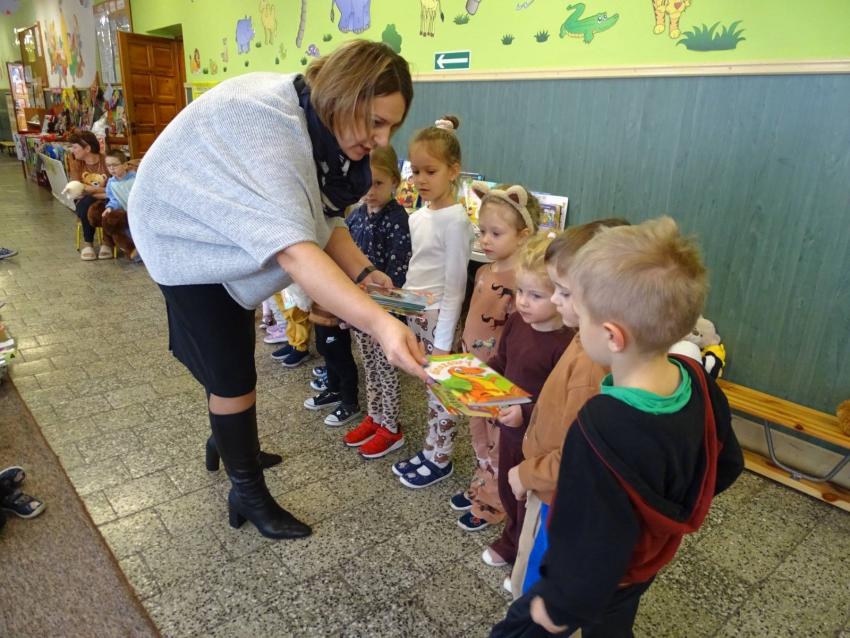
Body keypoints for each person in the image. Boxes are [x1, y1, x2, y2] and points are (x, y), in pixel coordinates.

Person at [128, 40, 427, 540]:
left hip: (216, 228)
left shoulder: (320, 124)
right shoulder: (271, 127)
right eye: (376, 122)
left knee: (232, 357)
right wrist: (381, 324)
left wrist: (362, 272)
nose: (381, 139)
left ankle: (229, 442)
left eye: (391, 127)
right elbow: (296, 250)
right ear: (343, 97)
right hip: (182, 236)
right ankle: (246, 490)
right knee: (232, 376)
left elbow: (322, 219)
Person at [492, 217, 744, 637]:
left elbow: (590, 537)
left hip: (580, 586)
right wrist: (657, 521)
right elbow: (728, 464)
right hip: (646, 563)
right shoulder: (697, 379)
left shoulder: (601, 423)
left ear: (612, 336)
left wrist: (559, 603)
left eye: (579, 309)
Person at [507, 220, 627, 597]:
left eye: (563, 291)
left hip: (554, 496)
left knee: (540, 588)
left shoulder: (591, 366)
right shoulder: (581, 341)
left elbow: (578, 456)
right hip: (549, 486)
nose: (556, 301)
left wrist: (527, 474)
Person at [472, 233, 573, 595]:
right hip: (509, 427)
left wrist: (525, 412)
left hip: (538, 436)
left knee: (527, 494)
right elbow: (502, 361)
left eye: (536, 295)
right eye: (520, 292)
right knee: (506, 485)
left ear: (561, 297)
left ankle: (522, 550)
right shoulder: (516, 322)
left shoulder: (566, 344)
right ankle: (512, 538)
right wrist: (475, 380)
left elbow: (558, 400)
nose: (523, 302)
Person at [391, 115, 475, 489]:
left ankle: (440, 459)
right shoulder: (419, 215)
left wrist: (442, 342)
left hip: (440, 318)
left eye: (431, 171)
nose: (420, 180)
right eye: (415, 171)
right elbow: (418, 269)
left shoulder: (456, 220)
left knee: (442, 393)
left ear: (453, 171)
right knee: (428, 389)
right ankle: (429, 450)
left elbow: (455, 286)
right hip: (418, 313)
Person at [451, 182, 537, 532]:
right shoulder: (485, 271)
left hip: (499, 378)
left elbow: (521, 338)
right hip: (472, 370)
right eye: (481, 231)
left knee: (499, 440)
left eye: (495, 233)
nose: (485, 240)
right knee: (479, 435)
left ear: (523, 235)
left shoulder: (523, 283)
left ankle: (494, 501)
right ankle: (483, 483)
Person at [343, 144, 413, 458]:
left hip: (384, 314)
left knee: (386, 370)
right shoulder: (356, 215)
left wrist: (383, 311)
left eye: (378, 183)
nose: (370, 191)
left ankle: (391, 427)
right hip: (360, 310)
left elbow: (398, 270)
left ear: (395, 181)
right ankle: (374, 416)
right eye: (365, 183)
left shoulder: (397, 218)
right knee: (369, 367)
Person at [87, 150, 139, 261]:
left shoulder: (135, 178)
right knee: (124, 231)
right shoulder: (111, 183)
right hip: (124, 213)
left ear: (125, 165)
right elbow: (113, 199)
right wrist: (110, 208)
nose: (111, 169)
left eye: (115, 165)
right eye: (108, 166)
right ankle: (134, 251)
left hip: (139, 212)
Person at [67, 131, 110, 261]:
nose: (72, 150)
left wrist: (91, 189)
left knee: (110, 203)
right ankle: (88, 244)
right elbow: (76, 190)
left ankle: (107, 242)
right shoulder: (76, 163)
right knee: (86, 203)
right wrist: (100, 192)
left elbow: (115, 189)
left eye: (75, 147)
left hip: (107, 199)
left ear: (87, 148)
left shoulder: (106, 161)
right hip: (87, 201)